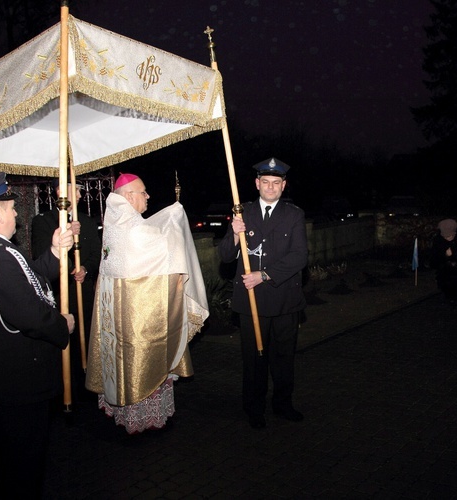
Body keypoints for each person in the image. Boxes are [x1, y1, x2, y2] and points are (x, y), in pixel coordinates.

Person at [0, 172, 76, 499]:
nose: (17, 214)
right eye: (11, 207)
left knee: (22, 462)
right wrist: (63, 325)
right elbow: (28, 315)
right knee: (24, 467)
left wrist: (54, 251)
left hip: (9, 382)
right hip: (15, 382)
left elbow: (30, 279)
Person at [85, 173, 208, 434]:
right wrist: (174, 220)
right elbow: (161, 244)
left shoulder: (115, 222)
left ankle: (122, 413)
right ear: (128, 196)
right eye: (143, 192)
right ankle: (144, 419)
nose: (148, 196)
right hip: (136, 319)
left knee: (120, 363)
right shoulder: (131, 229)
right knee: (139, 361)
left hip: (116, 317)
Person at [217, 157, 309, 429]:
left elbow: (300, 256)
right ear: (257, 184)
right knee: (254, 360)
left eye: (276, 183)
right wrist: (234, 235)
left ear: (284, 185)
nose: (270, 187)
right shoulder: (241, 213)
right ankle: (254, 408)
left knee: (283, 359)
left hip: (284, 301)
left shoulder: (294, 215)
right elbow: (225, 255)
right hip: (251, 303)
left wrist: (264, 275)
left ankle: (283, 404)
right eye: (265, 182)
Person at [31, 179, 101, 401]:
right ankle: (63, 389)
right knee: (64, 342)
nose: (80, 196)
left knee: (86, 338)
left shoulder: (88, 222)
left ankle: (87, 384)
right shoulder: (43, 221)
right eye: (76, 191)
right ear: (60, 192)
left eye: (81, 192)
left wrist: (85, 269)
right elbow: (42, 258)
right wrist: (67, 231)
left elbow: (96, 254)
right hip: (60, 293)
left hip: (83, 292)